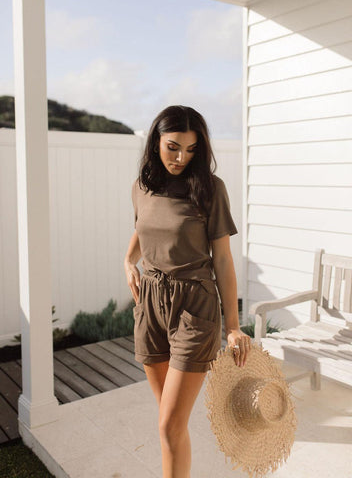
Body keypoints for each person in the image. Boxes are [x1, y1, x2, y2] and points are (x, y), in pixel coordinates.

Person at [124, 105, 252, 478]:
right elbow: (142, 229)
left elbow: (223, 260)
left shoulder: (210, 189)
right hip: (150, 305)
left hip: (194, 307)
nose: (182, 158)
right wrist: (128, 261)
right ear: (155, 143)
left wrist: (232, 326)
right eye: (173, 147)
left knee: (169, 425)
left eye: (192, 149)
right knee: (170, 422)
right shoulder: (142, 187)